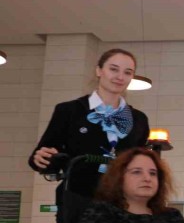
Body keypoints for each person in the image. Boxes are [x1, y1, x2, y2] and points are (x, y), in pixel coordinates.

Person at [29, 48, 150, 205]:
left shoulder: (139, 119)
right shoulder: (69, 111)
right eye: (113, 69)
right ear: (99, 70)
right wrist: (42, 159)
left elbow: (140, 162)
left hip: (122, 201)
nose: (120, 77)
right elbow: (43, 156)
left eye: (128, 72)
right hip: (78, 198)